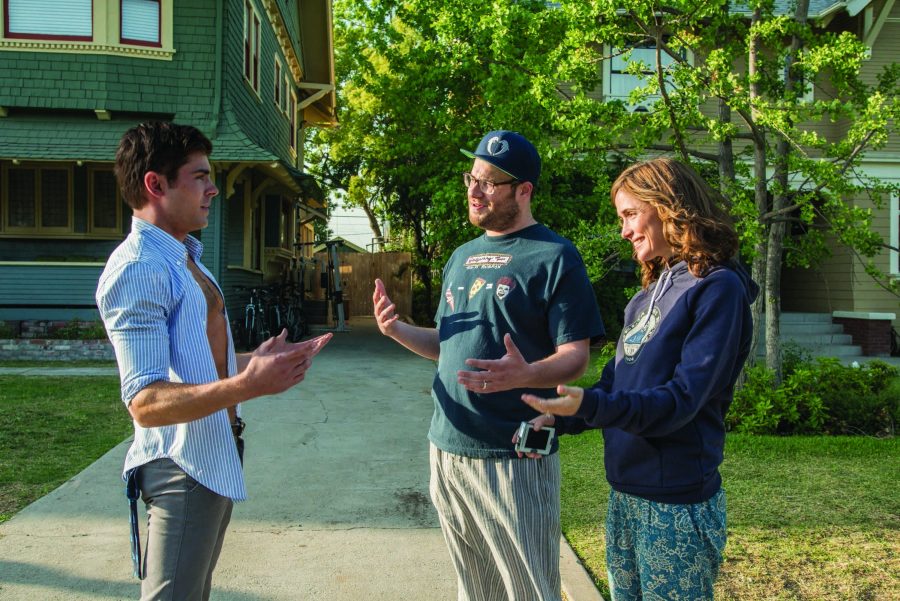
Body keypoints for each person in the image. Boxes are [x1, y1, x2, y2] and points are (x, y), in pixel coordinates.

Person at [96, 121, 331, 601]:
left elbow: (195, 360)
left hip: (213, 456)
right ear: (155, 184)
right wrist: (248, 385)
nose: (214, 188)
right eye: (200, 176)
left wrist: (252, 362)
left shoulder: (183, 256)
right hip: (180, 466)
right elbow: (145, 401)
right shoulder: (139, 268)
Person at [372, 130, 604, 601]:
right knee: (474, 588)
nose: (475, 192)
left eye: (490, 183)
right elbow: (447, 345)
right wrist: (397, 330)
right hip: (448, 448)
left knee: (529, 589)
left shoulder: (556, 257)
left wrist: (526, 374)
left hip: (514, 456)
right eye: (471, 179)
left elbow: (575, 357)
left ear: (524, 190)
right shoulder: (461, 257)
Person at [520, 157, 758, 600]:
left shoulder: (718, 289)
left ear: (669, 207)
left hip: (677, 504)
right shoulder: (646, 295)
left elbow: (681, 401)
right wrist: (560, 418)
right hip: (625, 496)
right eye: (622, 218)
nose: (625, 230)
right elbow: (614, 386)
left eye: (631, 214)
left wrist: (588, 407)